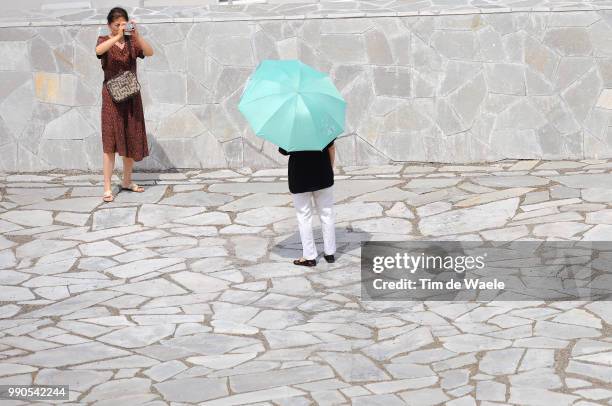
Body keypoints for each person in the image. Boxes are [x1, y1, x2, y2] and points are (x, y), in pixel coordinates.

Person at [95, 7, 154, 202]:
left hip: (131, 97)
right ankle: (106, 187)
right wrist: (116, 36)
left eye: (123, 23)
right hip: (111, 98)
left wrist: (136, 36)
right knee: (110, 142)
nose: (120, 27)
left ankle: (127, 181)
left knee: (130, 138)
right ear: (109, 25)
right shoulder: (104, 40)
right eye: (116, 24)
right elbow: (98, 51)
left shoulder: (131, 42)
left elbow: (149, 52)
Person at [279, 139, 337, 267]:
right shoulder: (321, 123)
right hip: (323, 175)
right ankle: (330, 253)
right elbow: (331, 148)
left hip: (299, 178)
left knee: (304, 217)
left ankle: (310, 257)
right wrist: (330, 169)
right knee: (327, 214)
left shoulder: (291, 129)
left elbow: (283, 151)